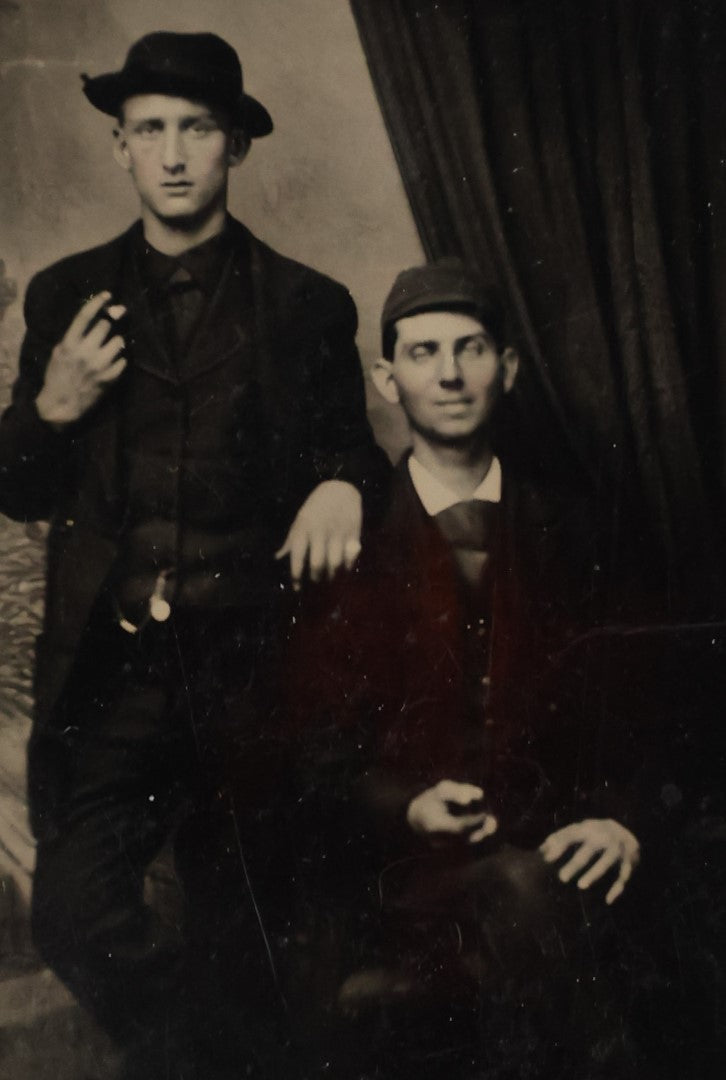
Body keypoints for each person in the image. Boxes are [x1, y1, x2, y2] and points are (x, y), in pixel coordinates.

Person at [0, 31, 389, 1080]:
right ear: (120, 147)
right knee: (74, 915)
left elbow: (351, 450)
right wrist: (52, 407)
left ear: (237, 146)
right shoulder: (64, 295)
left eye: (197, 128)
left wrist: (345, 483)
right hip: (112, 675)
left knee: (249, 937)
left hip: (253, 673)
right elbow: (17, 487)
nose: (172, 155)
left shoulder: (307, 304)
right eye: (150, 130)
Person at [286, 258, 642, 1079]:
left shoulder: (580, 528)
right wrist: (408, 805)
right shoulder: (349, 543)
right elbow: (312, 751)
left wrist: (618, 821)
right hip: (407, 875)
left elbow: (636, 711)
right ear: (388, 379)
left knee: (549, 897)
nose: (448, 375)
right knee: (520, 901)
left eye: (470, 348)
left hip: (561, 842)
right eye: (423, 352)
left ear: (507, 368)